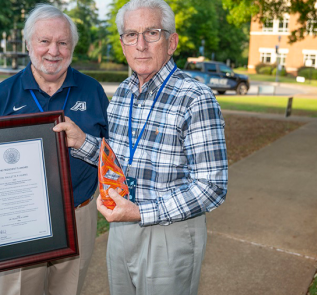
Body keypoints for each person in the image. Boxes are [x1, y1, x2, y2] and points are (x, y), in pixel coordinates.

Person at [53, 0, 228, 294]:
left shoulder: (195, 97)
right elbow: (118, 161)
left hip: (168, 232)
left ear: (171, 42)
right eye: (131, 35)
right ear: (123, 45)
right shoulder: (123, 94)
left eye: (152, 33)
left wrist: (141, 212)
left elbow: (212, 186)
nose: (141, 45)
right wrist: (81, 141)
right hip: (122, 225)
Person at [0, 4, 109, 295]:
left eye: (62, 42)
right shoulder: (4, 94)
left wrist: (84, 142)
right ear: (29, 44)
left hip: (78, 214)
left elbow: (115, 156)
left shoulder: (92, 91)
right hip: (17, 218)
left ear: (72, 47)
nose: (53, 51)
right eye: (44, 41)